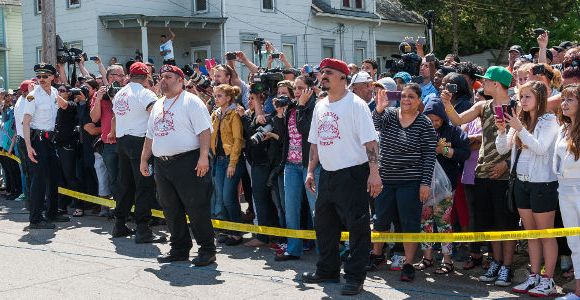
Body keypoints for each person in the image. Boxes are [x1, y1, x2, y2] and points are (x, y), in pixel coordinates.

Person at [302, 58, 381, 296]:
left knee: (358, 228)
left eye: (328, 73)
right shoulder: (320, 105)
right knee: (324, 226)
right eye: (322, 73)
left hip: (353, 174)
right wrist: (309, 170)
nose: (322, 76)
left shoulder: (355, 104)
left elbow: (370, 142)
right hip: (328, 173)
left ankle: (355, 277)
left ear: (343, 77)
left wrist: (374, 174)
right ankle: (327, 270)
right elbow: (315, 143)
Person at [441, 66, 518, 286]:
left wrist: (507, 164)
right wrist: (447, 104)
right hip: (482, 172)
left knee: (507, 224)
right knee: (491, 223)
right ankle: (496, 262)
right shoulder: (482, 106)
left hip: (505, 175)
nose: (481, 83)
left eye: (485, 80)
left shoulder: (516, 107)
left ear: (496, 84)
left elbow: (522, 139)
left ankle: (507, 267)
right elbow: (457, 121)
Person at [139, 65, 216, 266]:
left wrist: (203, 157)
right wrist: (144, 159)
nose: (163, 80)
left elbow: (205, 131)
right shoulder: (158, 104)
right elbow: (150, 135)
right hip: (163, 165)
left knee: (196, 207)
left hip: (188, 161)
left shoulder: (191, 101)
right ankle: (179, 248)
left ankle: (207, 249)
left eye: (168, 76)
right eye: (161, 76)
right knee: (170, 208)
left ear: (180, 80)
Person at [495, 81, 559, 296]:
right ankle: (533, 276)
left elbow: (540, 149)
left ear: (539, 99)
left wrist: (519, 128)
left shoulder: (549, 120)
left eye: (527, 97)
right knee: (531, 234)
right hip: (521, 183)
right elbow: (503, 148)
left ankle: (548, 279)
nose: (522, 101)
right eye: (521, 97)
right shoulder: (519, 121)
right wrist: (502, 131)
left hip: (543, 184)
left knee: (546, 234)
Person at [369, 85, 437, 282]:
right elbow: (374, 125)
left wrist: (425, 183)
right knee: (380, 219)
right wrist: (380, 108)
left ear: (419, 101)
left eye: (411, 97)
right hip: (385, 180)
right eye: (404, 96)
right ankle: (377, 255)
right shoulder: (389, 114)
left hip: (411, 181)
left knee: (409, 222)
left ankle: (408, 263)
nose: (406, 99)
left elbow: (429, 156)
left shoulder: (424, 123)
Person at [111, 62, 163, 243]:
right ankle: (143, 229)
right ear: (146, 75)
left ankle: (119, 223)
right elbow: (156, 113)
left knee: (125, 184)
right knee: (144, 185)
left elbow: (116, 117)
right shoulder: (144, 92)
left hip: (122, 140)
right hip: (140, 141)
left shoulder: (120, 93)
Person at [417, 100, 470, 275]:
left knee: (444, 223)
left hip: (446, 186)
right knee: (425, 222)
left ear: (443, 118)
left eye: (437, 120)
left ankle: (448, 261)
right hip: (423, 185)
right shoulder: (420, 131)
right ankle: (427, 258)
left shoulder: (453, 132)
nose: (433, 124)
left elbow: (465, 153)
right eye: (429, 120)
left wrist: (445, 151)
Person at [274, 75, 319, 261]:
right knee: (291, 208)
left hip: (311, 165)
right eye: (296, 88)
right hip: (290, 165)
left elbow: (304, 130)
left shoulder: (316, 107)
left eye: (301, 88)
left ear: (310, 89)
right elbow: (282, 136)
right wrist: (279, 114)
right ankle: (293, 249)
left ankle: (325, 251)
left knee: (316, 209)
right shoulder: (291, 107)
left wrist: (301, 105)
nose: (297, 92)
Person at [23, 63, 70, 229]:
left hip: (50, 140)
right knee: (39, 179)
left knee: (54, 176)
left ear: (52, 77)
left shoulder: (55, 92)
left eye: (45, 76)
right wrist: (28, 146)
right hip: (38, 140)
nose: (41, 79)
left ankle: (52, 213)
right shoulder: (33, 96)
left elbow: (64, 105)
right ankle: (35, 218)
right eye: (39, 76)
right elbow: (26, 122)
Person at [554, 84, 580, 300]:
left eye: (570, 99)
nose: (564, 103)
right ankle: (578, 292)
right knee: (574, 242)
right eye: (563, 99)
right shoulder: (563, 129)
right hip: (564, 190)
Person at [210, 84, 244, 246]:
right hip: (218, 160)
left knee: (228, 197)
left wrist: (233, 163)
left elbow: (238, 140)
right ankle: (227, 230)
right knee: (221, 198)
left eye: (219, 96)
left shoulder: (234, 114)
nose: (216, 99)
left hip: (231, 160)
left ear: (228, 98)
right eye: (215, 96)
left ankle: (237, 232)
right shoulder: (216, 114)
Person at [13, 80, 34, 204]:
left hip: (22, 139)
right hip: (26, 140)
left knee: (28, 173)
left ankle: (31, 202)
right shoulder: (24, 102)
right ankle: (32, 203)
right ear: (26, 91)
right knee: (30, 173)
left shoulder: (22, 100)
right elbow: (25, 122)